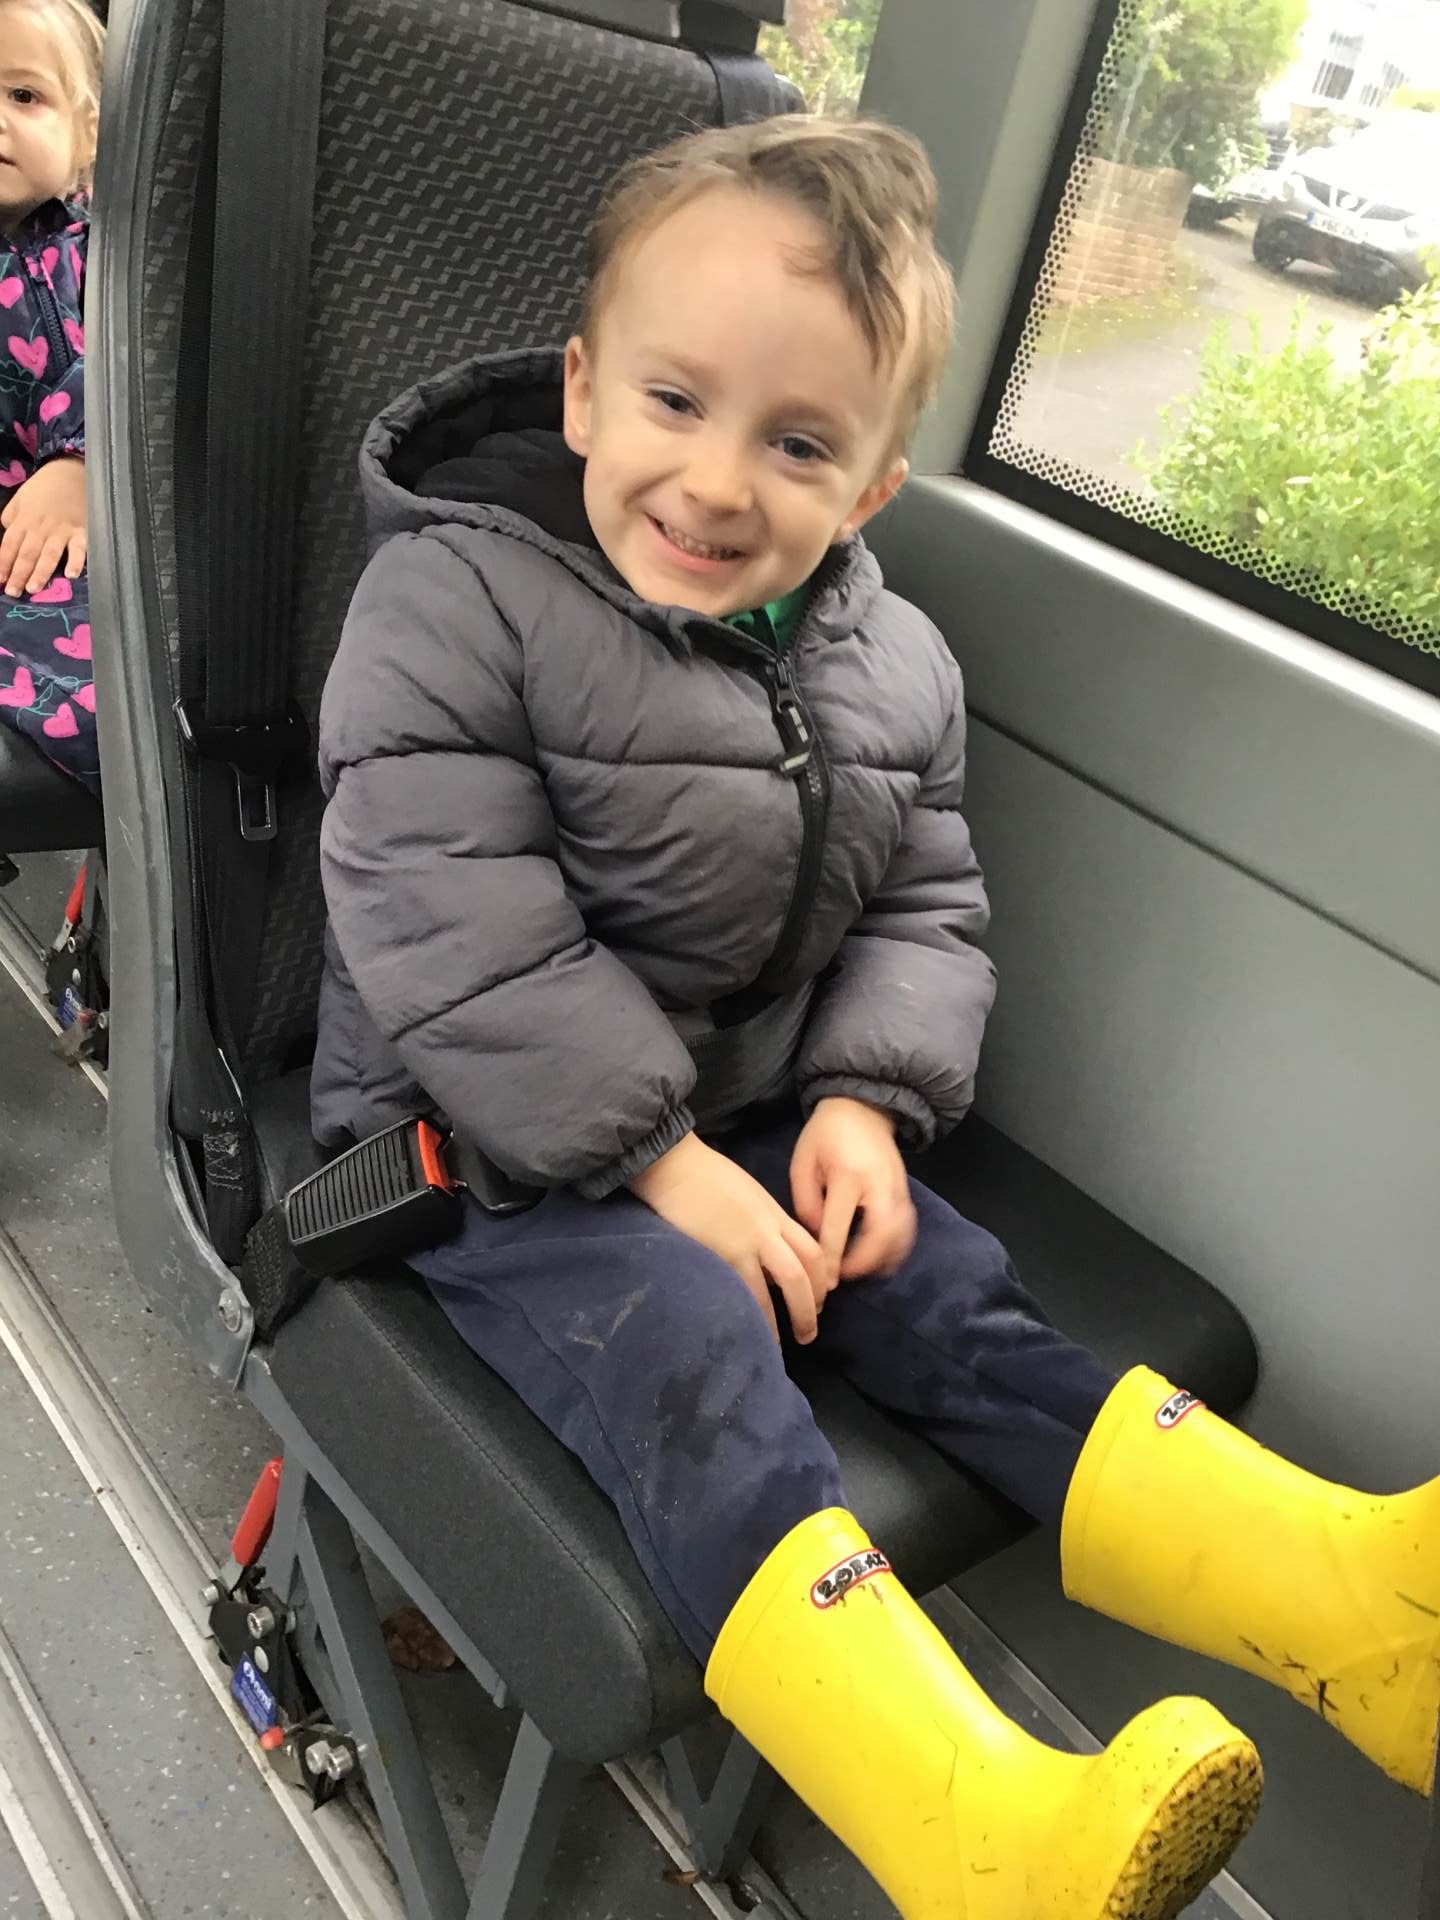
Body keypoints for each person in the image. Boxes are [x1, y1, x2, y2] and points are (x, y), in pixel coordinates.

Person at [313, 116, 1438, 1918]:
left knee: (946, 1285)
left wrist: (863, 1106)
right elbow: (454, 929)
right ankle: (971, 1835)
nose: (716, 481)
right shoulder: (452, 601)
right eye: (675, 402)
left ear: (871, 489)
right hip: (488, 1147)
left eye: (798, 443)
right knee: (691, 1339)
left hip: (754, 1101)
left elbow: (923, 902)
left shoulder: (893, 664)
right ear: (584, 392)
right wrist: (658, 1160)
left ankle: (1358, 1619)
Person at [0, 0, 103, 793]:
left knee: (94, 696)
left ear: (87, 133)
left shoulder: (90, 252)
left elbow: (125, 368)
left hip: (55, 540)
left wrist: (76, 462)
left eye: (23, 94)